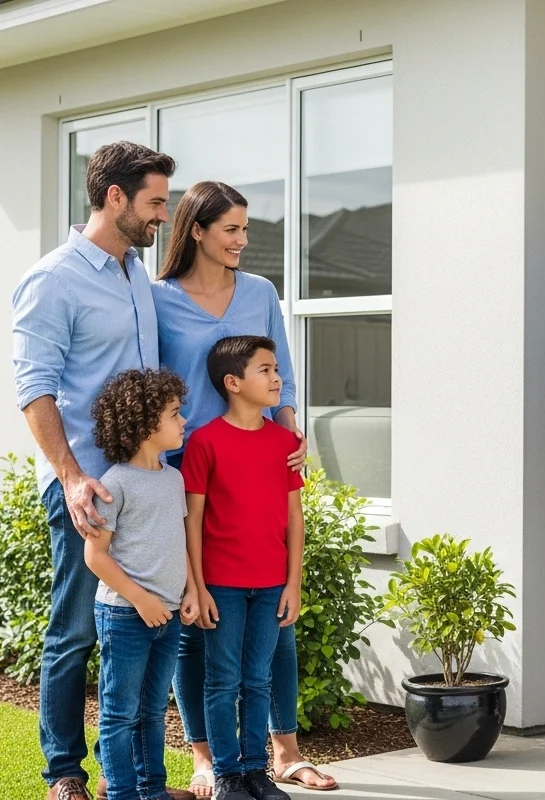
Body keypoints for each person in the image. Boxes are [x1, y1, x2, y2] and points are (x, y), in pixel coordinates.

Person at [10, 141, 197, 800]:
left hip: (147, 484)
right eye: (153, 203)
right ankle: (63, 773)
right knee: (75, 630)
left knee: (148, 628)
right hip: (88, 487)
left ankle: (144, 779)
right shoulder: (54, 279)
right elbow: (34, 387)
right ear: (114, 198)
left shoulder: (135, 274)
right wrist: (68, 475)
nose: (161, 217)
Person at [153, 182, 334, 794]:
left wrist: (290, 440)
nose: (241, 241)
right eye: (230, 229)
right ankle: (209, 759)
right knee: (196, 621)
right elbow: (150, 383)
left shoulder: (259, 292)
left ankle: (280, 754)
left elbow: (280, 367)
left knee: (271, 629)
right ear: (196, 230)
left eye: (245, 229)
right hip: (186, 472)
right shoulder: (158, 299)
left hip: (257, 467)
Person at [182, 336, 304, 800]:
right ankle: (228, 775)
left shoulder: (283, 443)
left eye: (276, 370)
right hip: (223, 586)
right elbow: (192, 521)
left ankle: (257, 771)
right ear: (233, 382)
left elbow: (295, 517)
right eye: (266, 370)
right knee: (222, 681)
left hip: (272, 584)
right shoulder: (204, 442)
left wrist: (292, 583)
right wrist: (199, 585)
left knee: (258, 679)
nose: (277, 379)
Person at [84, 369, 199, 800]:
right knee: (119, 713)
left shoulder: (173, 478)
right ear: (145, 423)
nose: (184, 420)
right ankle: (122, 794)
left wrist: (188, 591)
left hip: (167, 613)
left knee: (152, 711)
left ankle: (152, 791)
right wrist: (141, 600)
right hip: (124, 614)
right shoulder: (114, 484)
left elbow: (179, 542)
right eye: (175, 413)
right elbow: (95, 556)